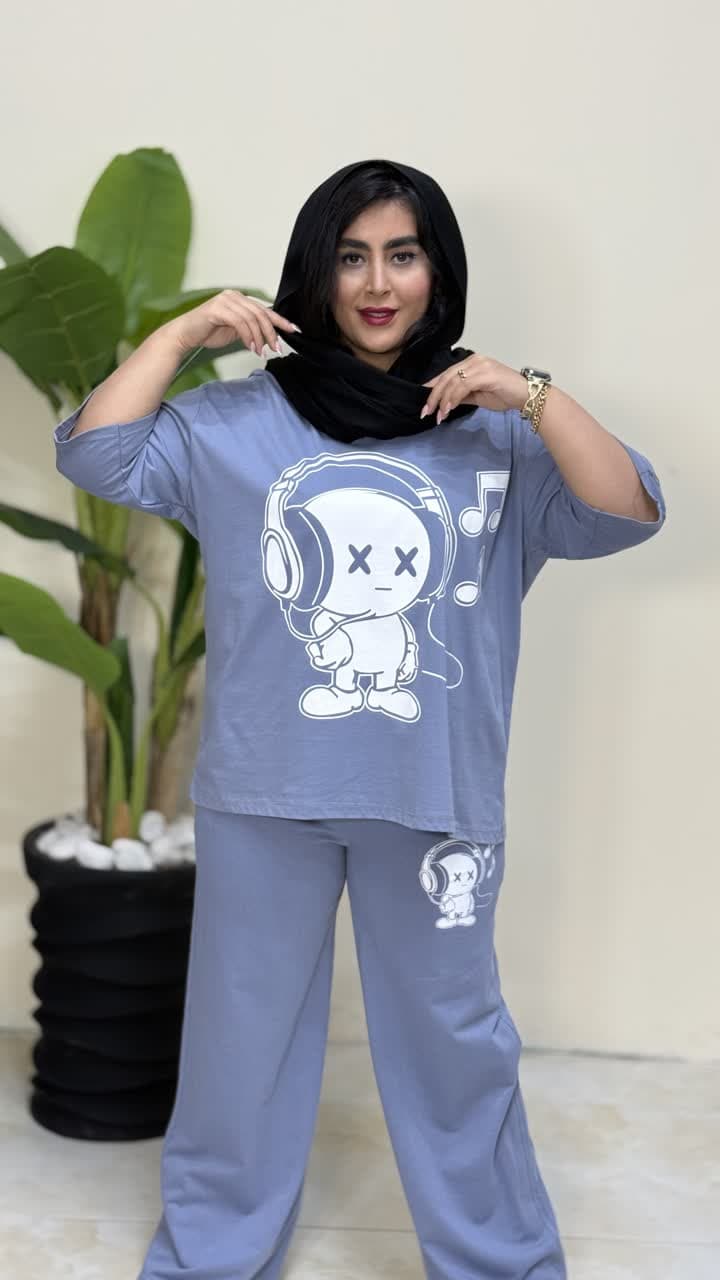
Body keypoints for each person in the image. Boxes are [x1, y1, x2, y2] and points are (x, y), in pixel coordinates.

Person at [53, 158, 666, 1280]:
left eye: (403, 253)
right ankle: (209, 1257)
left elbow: (627, 506)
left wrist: (530, 392)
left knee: (455, 1050)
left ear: (439, 270)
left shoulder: (491, 433)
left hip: (431, 799)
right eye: (351, 256)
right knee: (239, 1050)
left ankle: (498, 1263)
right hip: (263, 795)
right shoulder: (238, 421)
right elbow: (95, 448)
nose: (378, 283)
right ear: (315, 272)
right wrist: (187, 335)